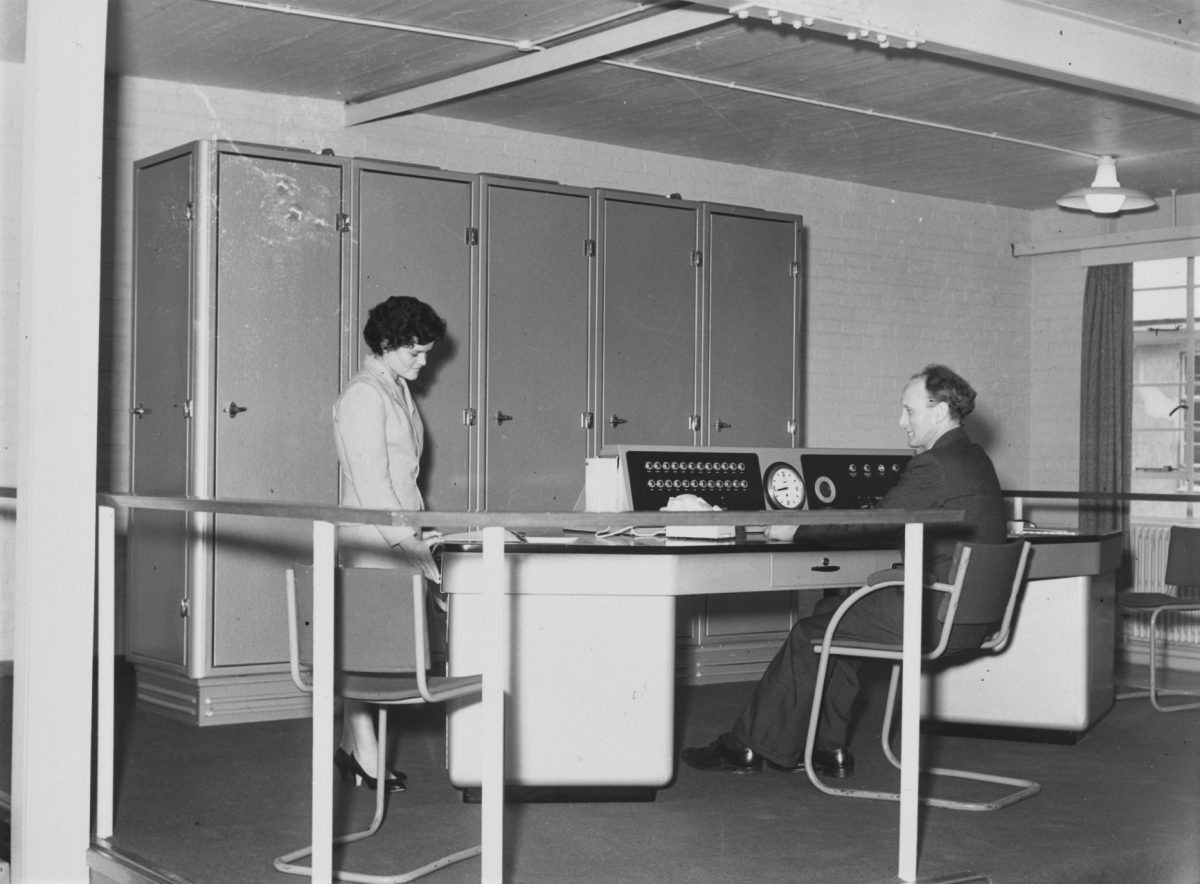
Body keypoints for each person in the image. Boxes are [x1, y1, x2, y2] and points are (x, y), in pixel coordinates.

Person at [682, 364, 1006, 777]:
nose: (900, 421)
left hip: (934, 614)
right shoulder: (975, 459)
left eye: (909, 411)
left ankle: (745, 747)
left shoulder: (935, 464)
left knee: (810, 634)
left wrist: (796, 530)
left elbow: (875, 523)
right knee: (834, 619)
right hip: (971, 615)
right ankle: (828, 749)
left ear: (940, 412)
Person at [331, 295, 447, 792]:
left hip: (395, 535)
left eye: (425, 352)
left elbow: (403, 476)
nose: (423, 362)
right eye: (414, 353)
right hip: (373, 539)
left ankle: (354, 750)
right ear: (384, 344)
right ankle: (365, 756)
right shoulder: (363, 395)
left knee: (376, 651)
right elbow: (373, 485)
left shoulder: (394, 388)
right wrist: (411, 544)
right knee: (369, 654)